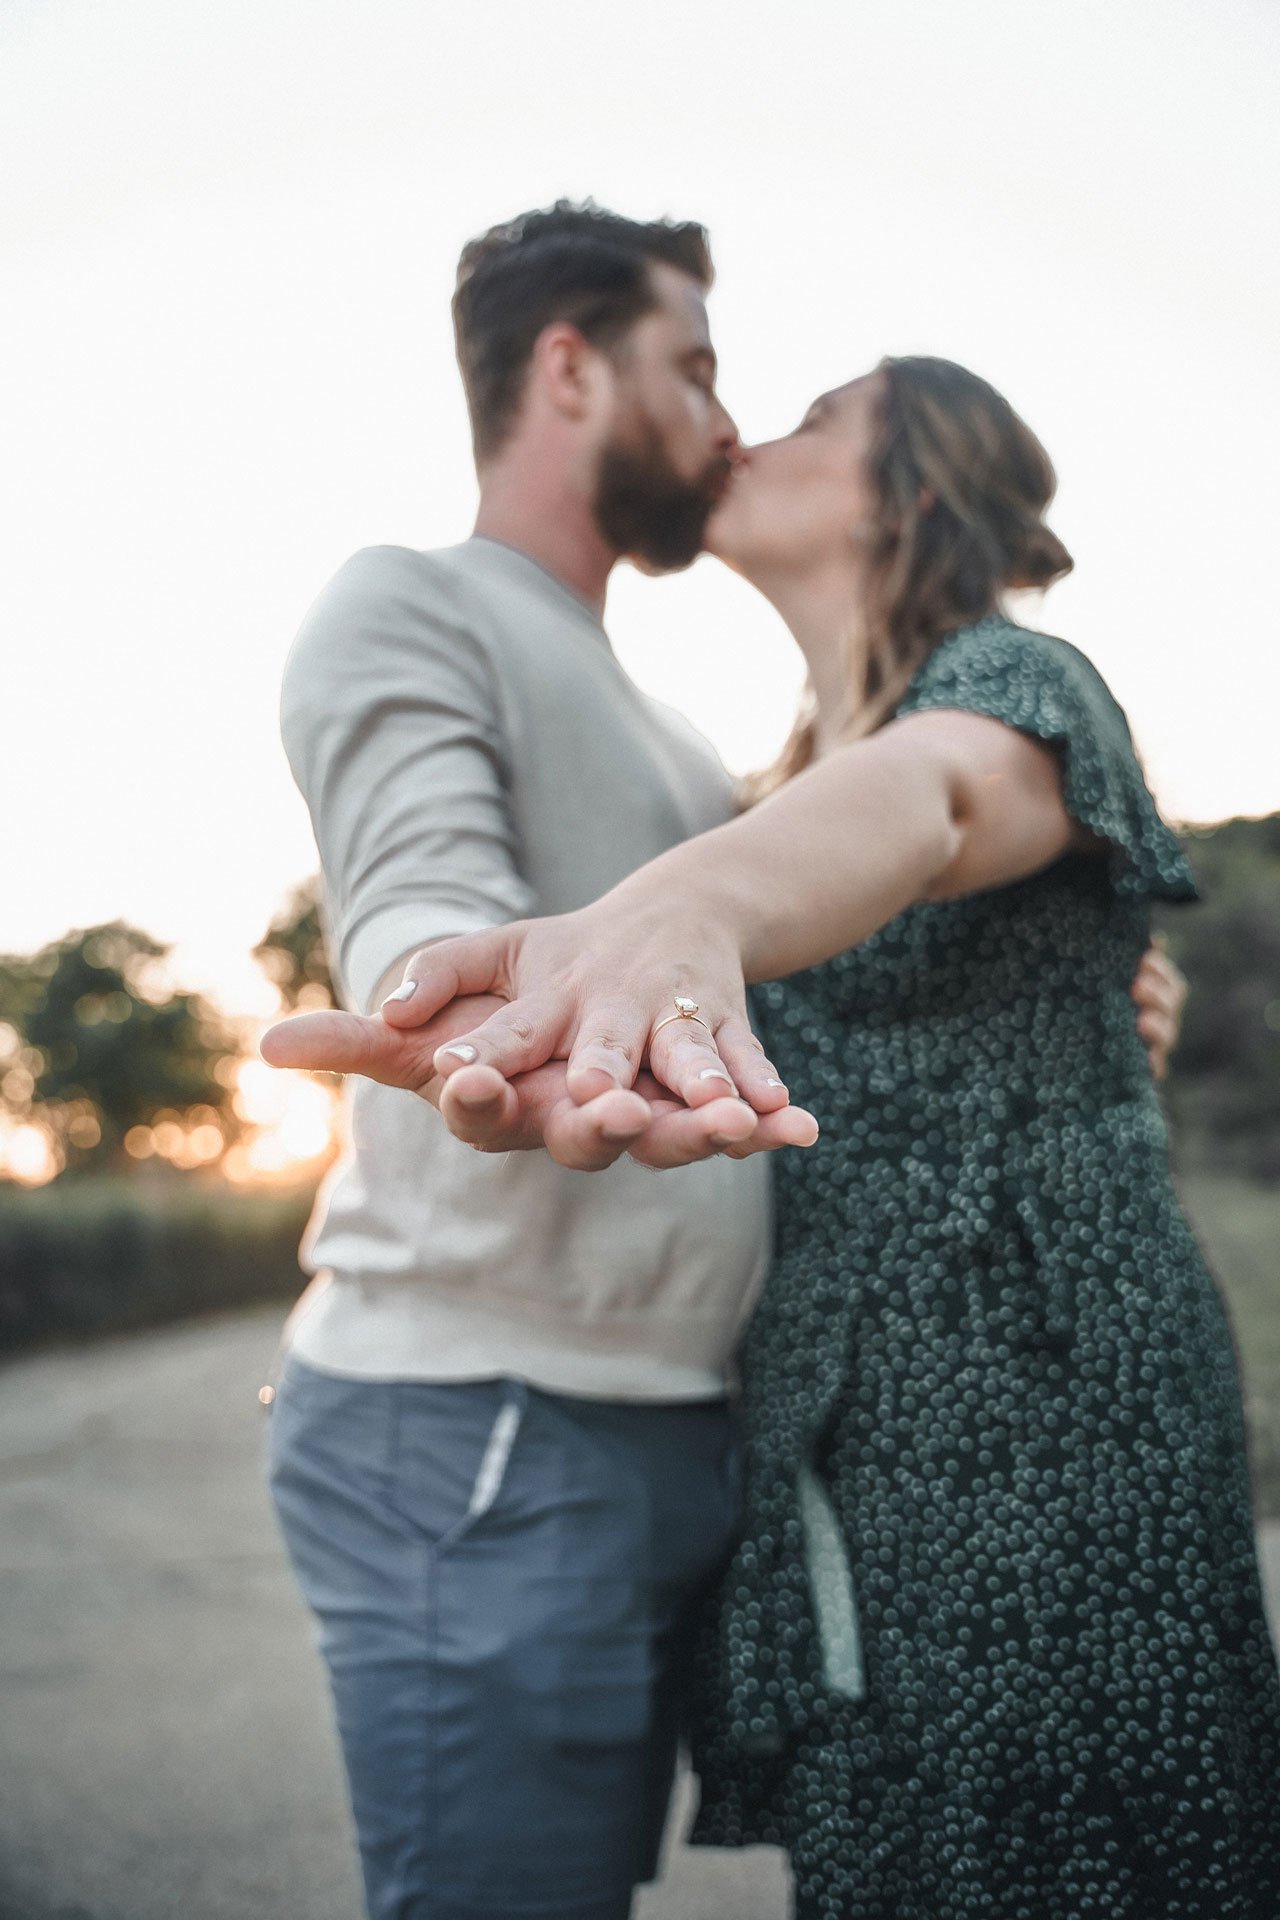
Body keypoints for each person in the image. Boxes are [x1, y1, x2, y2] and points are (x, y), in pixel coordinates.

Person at [268, 354, 1278, 1918]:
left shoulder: (1015, 684)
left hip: (1044, 1395)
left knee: (1080, 1850)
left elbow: (938, 801)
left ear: (914, 490)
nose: (752, 429)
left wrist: (689, 912)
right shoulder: (765, 784)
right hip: (844, 1433)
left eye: (817, 421)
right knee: (891, 1853)